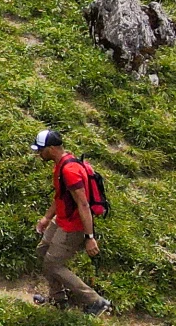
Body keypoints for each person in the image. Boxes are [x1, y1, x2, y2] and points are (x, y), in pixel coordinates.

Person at [32, 129, 114, 316]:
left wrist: (89, 237)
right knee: (42, 251)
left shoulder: (70, 170)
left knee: (53, 264)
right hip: (61, 220)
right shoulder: (60, 165)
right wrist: (46, 218)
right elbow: (60, 196)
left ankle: (96, 301)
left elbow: (83, 204)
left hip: (73, 226)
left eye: (40, 149)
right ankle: (58, 299)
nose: (39, 153)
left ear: (51, 149)